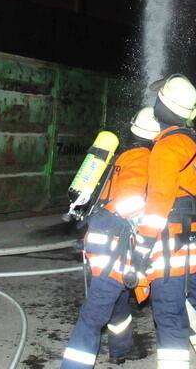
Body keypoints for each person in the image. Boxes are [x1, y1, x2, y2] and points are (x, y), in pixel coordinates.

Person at [133, 74, 196, 369]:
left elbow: (159, 201)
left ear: (162, 106)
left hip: (169, 240)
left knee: (169, 313)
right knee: (195, 307)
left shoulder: (165, 148)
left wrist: (142, 245)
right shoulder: (194, 140)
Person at [60, 106, 160, 369]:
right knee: (94, 315)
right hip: (115, 244)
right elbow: (129, 202)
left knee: (117, 299)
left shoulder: (123, 155)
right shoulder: (141, 157)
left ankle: (121, 349)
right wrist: (149, 227)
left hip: (102, 238)